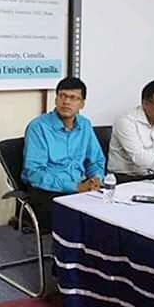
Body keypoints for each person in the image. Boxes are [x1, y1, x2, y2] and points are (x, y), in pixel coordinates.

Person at [21, 77, 105, 228]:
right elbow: (34, 174)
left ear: (82, 104)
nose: (66, 102)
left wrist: (96, 179)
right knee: (78, 220)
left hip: (81, 188)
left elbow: (96, 161)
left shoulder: (84, 125)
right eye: (62, 96)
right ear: (56, 99)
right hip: (48, 191)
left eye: (73, 98)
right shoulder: (38, 127)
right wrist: (75, 187)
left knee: (111, 214)